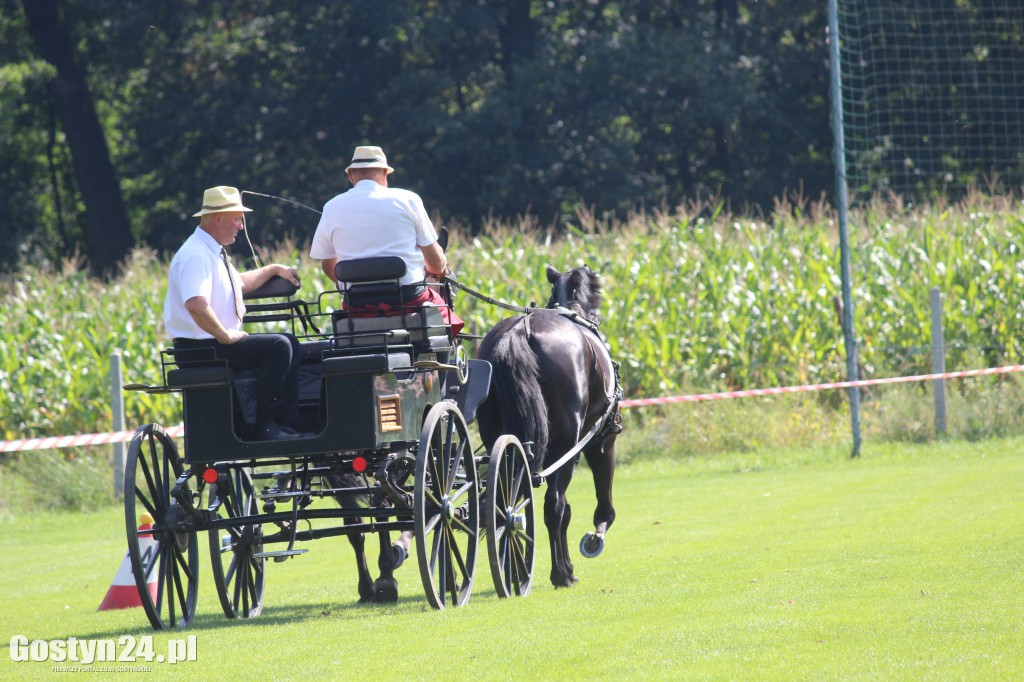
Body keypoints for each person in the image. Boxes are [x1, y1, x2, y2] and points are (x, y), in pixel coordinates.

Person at [164, 185, 309, 441]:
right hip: (201, 348)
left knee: (290, 342)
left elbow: (238, 283)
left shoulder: (211, 251)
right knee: (278, 346)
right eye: (237, 219)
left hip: (211, 343)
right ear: (218, 218)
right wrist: (225, 335)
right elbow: (196, 303)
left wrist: (273, 269)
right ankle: (263, 427)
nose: (241, 226)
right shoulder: (196, 255)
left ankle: (288, 419)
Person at [308, 145, 463, 335]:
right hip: (408, 302)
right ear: (385, 174)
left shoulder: (331, 207)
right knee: (443, 314)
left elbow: (328, 268)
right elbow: (436, 264)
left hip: (358, 306)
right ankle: (441, 364)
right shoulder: (408, 199)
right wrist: (438, 270)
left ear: (351, 176)